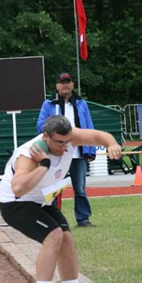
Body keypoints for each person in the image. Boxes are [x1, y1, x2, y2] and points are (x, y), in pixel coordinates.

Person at [0, 115, 121, 283]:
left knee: (67, 240)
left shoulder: (70, 138)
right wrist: (44, 165)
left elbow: (100, 136)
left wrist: (112, 144)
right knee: (54, 236)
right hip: (16, 204)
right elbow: (18, 188)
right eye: (58, 142)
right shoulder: (29, 154)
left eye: (67, 142)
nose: (64, 147)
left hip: (43, 200)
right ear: (45, 137)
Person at [37, 72, 96, 228]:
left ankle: (83, 219)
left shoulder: (82, 104)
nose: (65, 85)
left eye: (68, 82)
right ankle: (54, 220)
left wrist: (90, 151)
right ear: (57, 85)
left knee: (80, 189)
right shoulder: (49, 104)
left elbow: (89, 127)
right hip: (56, 154)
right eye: (62, 82)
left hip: (78, 154)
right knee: (54, 189)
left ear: (73, 85)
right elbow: (39, 127)